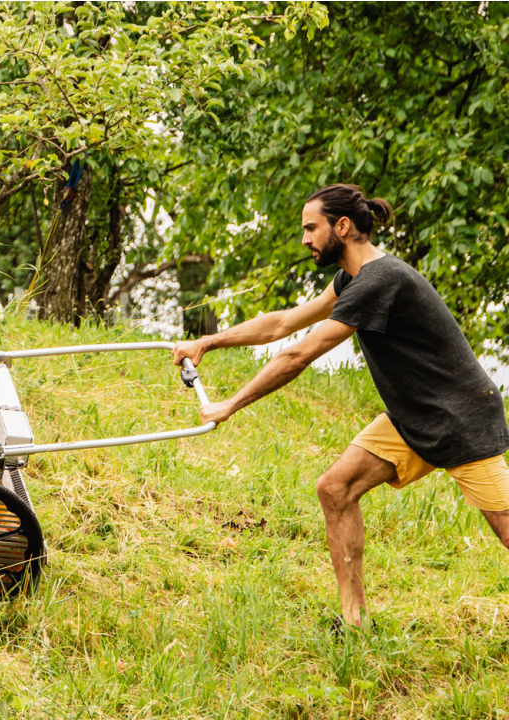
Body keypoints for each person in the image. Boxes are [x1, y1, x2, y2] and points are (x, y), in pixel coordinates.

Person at [171, 183, 509, 629]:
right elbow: (284, 324)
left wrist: (228, 405)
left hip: (462, 420)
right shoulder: (352, 278)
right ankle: (355, 622)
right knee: (335, 489)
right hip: (415, 417)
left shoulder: (379, 281)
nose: (306, 239)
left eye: (312, 228)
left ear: (342, 226)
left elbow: (297, 354)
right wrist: (208, 341)